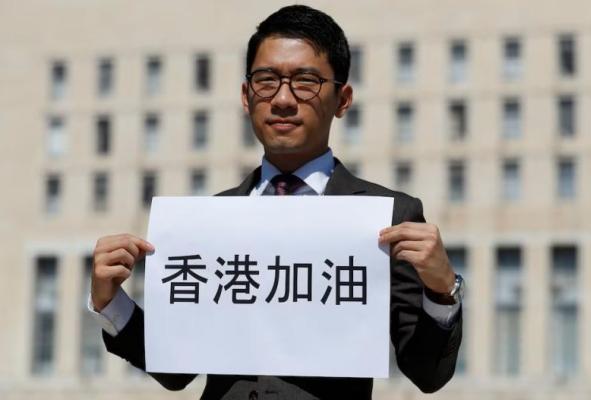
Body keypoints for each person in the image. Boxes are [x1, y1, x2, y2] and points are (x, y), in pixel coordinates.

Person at [89, 5, 463, 400]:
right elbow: (175, 369)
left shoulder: (389, 218)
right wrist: (110, 302)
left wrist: (442, 291)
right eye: (266, 81)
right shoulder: (210, 220)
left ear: (343, 99)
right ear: (246, 96)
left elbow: (427, 372)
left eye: (306, 82)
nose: (283, 99)